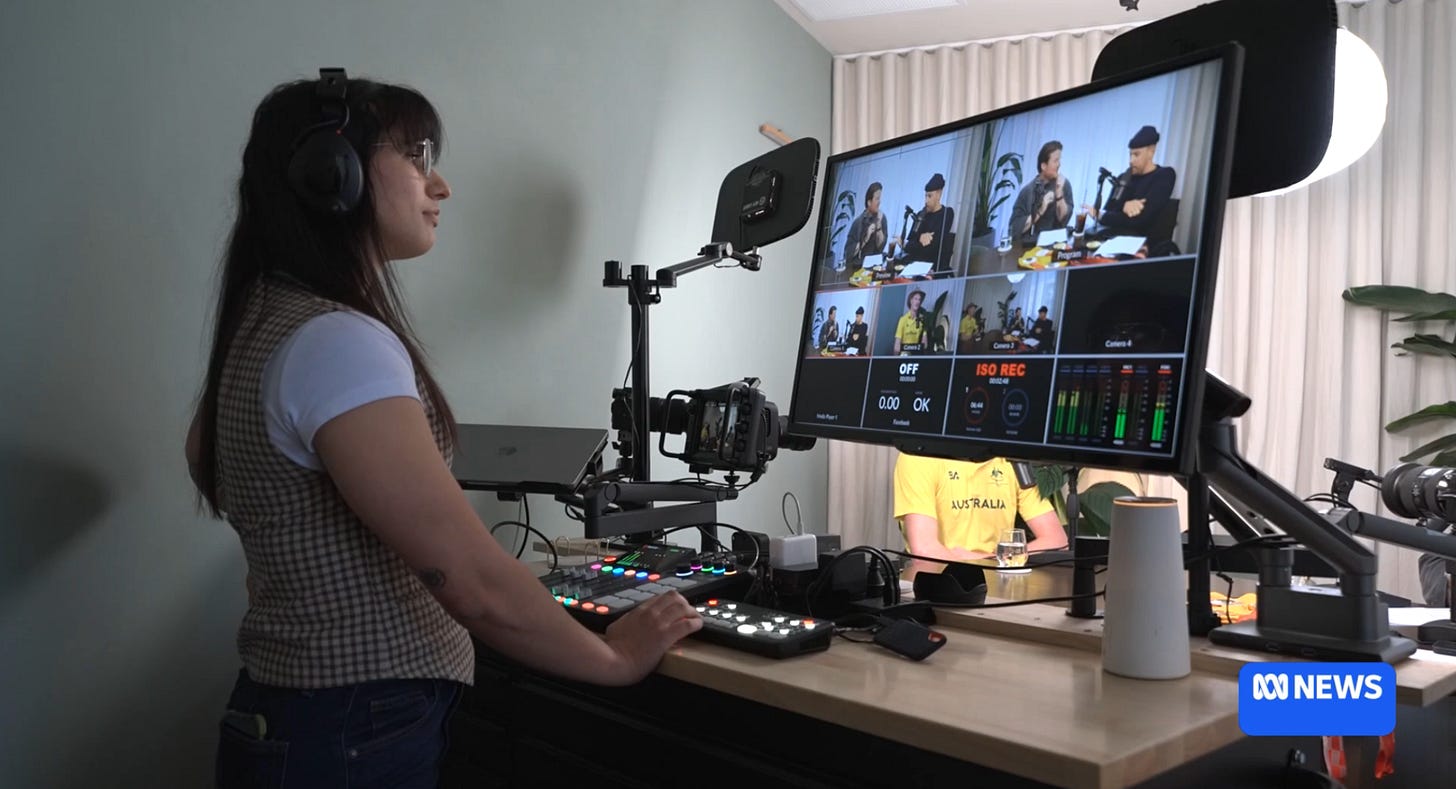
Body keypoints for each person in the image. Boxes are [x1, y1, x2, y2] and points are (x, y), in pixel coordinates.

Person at [184, 72, 701, 789]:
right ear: (333, 174)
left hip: (293, 717)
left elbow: (217, 470)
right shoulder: (334, 341)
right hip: (350, 729)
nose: (441, 185)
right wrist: (615, 657)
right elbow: (473, 581)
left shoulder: (263, 322)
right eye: (416, 156)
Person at [894, 453, 1067, 579]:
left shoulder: (1011, 460)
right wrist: (999, 560)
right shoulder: (918, 456)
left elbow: (1057, 541)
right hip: (940, 581)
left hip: (998, 581)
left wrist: (983, 559)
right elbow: (924, 552)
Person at [1087, 125, 1177, 238]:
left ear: (1151, 151)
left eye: (1136, 155)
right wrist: (1123, 207)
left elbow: (1142, 220)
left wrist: (1105, 215)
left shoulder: (1164, 175)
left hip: (1142, 241)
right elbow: (1108, 210)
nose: (1131, 161)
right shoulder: (1124, 178)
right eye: (1130, 155)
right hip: (1111, 238)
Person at [1007, 141, 1074, 248]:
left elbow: (1064, 220)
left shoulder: (1064, 185)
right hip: (1031, 248)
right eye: (1055, 161)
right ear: (1043, 166)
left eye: (1059, 160)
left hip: (1057, 247)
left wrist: (1059, 195)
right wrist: (1040, 210)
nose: (1059, 164)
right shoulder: (1027, 191)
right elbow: (1014, 229)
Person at [898, 173, 957, 271]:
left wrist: (917, 241)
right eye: (925, 196)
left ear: (939, 194)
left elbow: (934, 245)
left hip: (932, 268)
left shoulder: (947, 213)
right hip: (913, 265)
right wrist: (920, 239)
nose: (926, 200)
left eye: (929, 196)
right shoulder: (921, 214)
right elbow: (909, 245)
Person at [843, 181, 888, 271]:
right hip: (859, 266)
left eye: (880, 199)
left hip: (876, 265)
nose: (879, 202)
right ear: (869, 202)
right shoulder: (858, 222)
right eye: (877, 199)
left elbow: (881, 247)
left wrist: (879, 226)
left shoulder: (882, 218)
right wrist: (866, 237)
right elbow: (848, 253)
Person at [892, 289, 927, 355]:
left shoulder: (921, 320)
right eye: (915, 299)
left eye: (919, 300)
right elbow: (896, 346)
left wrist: (925, 328)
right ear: (911, 301)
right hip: (904, 354)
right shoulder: (903, 319)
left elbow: (924, 345)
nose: (918, 302)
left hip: (916, 354)